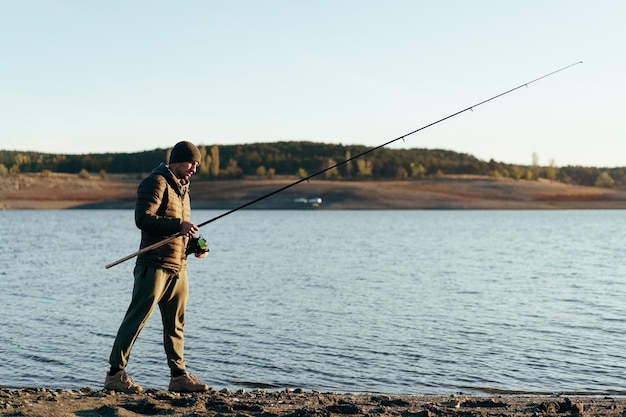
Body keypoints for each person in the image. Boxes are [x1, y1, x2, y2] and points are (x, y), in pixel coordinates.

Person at [104, 141, 209, 393]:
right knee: (136, 319)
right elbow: (143, 219)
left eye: (196, 164)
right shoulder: (156, 182)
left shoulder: (183, 188)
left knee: (176, 324)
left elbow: (182, 226)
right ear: (176, 160)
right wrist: (178, 225)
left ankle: (178, 376)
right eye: (190, 162)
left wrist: (195, 244)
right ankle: (115, 374)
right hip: (154, 266)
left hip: (178, 266)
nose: (194, 168)